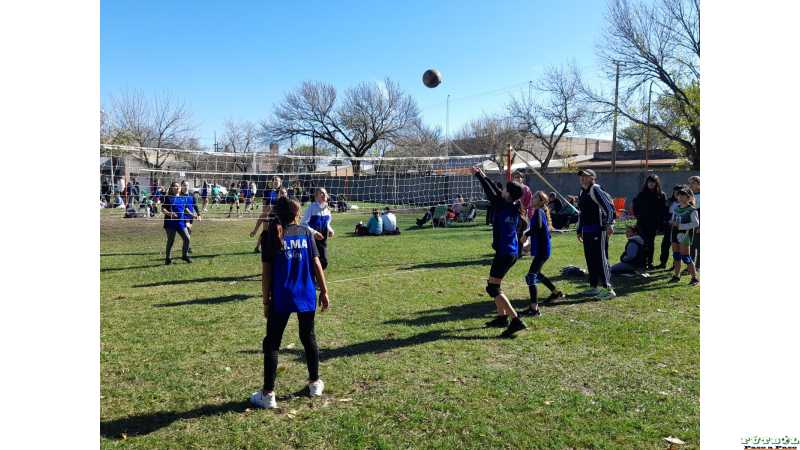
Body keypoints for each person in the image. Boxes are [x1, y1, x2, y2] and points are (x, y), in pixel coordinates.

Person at [249, 196, 330, 409]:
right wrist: (324, 291)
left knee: (272, 342)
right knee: (308, 336)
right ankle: (314, 383)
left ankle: (268, 394)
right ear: (296, 214)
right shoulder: (305, 232)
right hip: (306, 294)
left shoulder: (270, 235)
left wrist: (266, 301)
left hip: (282, 296)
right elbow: (316, 264)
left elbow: (266, 273)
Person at [472, 166, 528, 338]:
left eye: (504, 188)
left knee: (492, 288)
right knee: (494, 284)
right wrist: (483, 175)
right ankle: (501, 318)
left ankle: (515, 320)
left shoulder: (502, 205)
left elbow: (491, 192)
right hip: (510, 252)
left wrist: (479, 176)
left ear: (508, 194)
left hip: (505, 253)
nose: (501, 189)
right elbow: (496, 191)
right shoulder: (513, 205)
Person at [520, 191, 565, 317]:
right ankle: (556, 293)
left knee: (530, 277)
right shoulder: (540, 212)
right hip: (542, 250)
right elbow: (545, 233)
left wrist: (526, 235)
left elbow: (538, 227)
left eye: (534, 197)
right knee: (537, 274)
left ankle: (534, 309)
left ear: (540, 201)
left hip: (542, 251)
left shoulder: (539, 212)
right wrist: (531, 245)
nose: (532, 199)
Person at [576, 169, 617, 300]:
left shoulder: (596, 189)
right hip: (587, 231)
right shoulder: (582, 191)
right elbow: (581, 213)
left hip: (599, 230)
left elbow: (609, 208)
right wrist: (579, 229)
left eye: (585, 176)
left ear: (593, 178)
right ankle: (594, 287)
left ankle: (608, 289)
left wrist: (609, 224)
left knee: (601, 259)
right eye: (581, 176)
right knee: (590, 259)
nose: (582, 178)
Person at [632, 174, 667, 270]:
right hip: (642, 223)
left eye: (653, 182)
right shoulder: (641, 194)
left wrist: (661, 223)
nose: (651, 184)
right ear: (647, 183)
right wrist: (638, 216)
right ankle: (642, 262)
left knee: (650, 243)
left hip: (653, 224)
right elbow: (635, 207)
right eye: (649, 182)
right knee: (644, 242)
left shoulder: (661, 195)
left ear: (656, 183)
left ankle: (649, 262)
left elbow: (663, 210)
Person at [669, 187, 700, 285]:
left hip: (685, 235)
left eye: (683, 196)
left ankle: (694, 278)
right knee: (676, 256)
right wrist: (672, 222)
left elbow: (695, 224)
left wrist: (681, 226)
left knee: (685, 256)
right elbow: (673, 220)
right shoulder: (676, 208)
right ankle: (676, 275)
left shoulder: (692, 210)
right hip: (674, 234)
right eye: (679, 195)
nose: (681, 198)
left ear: (689, 197)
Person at [301, 188, 335, 269]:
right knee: (313, 262)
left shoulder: (327, 209)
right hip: (312, 240)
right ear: (316, 197)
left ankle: (318, 279)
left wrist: (330, 230)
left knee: (324, 262)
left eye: (325, 193)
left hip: (323, 240)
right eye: (321, 193)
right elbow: (302, 224)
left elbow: (327, 223)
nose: (324, 195)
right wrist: (314, 233)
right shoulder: (311, 208)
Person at [162, 182, 192, 264]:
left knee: (187, 238)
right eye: (175, 186)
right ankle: (168, 259)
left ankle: (184, 255)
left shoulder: (182, 198)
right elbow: (163, 209)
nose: (177, 188)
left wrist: (192, 214)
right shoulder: (168, 198)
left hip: (180, 223)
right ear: (172, 188)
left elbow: (185, 208)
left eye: (178, 186)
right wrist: (170, 213)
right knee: (171, 240)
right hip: (170, 223)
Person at [656, 185, 683, 269]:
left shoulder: (685, 203)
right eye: (675, 192)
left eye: (678, 192)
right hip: (669, 226)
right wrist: (666, 221)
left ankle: (675, 265)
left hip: (679, 227)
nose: (676, 194)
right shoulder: (669, 202)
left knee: (677, 247)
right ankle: (663, 263)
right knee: (665, 245)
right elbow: (664, 213)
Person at [688, 176, 700, 270]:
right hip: (690, 223)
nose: (691, 185)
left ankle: (698, 265)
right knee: (691, 245)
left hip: (699, 223)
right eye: (690, 183)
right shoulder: (689, 195)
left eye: (693, 183)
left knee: (699, 245)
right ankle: (691, 265)